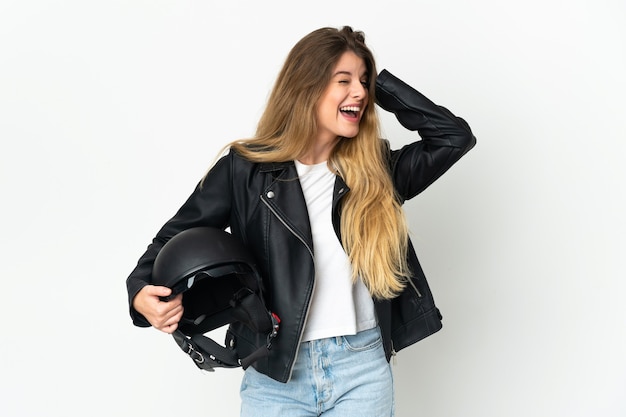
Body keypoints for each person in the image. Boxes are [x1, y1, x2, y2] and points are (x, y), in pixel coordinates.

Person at [126, 26, 476, 417]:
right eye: (342, 80)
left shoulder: (378, 171)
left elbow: (453, 138)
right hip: (276, 374)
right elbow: (169, 239)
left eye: (363, 82)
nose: (359, 92)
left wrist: (378, 84)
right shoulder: (244, 172)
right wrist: (140, 292)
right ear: (305, 88)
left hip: (362, 366)